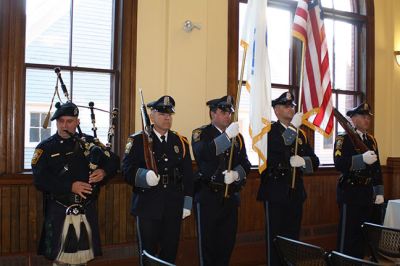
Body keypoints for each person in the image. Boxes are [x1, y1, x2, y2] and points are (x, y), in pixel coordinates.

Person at [32, 101, 120, 265]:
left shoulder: (89, 143)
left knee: (82, 259)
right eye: (60, 121)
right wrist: (70, 186)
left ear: (77, 122)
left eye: (69, 121)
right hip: (59, 209)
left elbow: (114, 161)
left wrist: (103, 172)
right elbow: (40, 179)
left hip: (86, 208)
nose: (64, 125)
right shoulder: (45, 148)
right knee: (60, 260)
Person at [122, 95, 193, 265]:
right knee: (148, 253)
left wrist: (187, 203)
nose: (167, 117)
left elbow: (188, 175)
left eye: (169, 114)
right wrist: (144, 176)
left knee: (170, 251)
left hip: (173, 205)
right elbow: (126, 170)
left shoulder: (180, 141)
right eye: (162, 114)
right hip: (148, 205)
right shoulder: (138, 140)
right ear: (152, 115)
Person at [256, 92, 320, 266]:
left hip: (295, 192)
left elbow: (315, 161)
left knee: (292, 239)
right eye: (286, 105)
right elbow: (277, 147)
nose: (291, 108)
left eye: (292, 105)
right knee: (275, 237)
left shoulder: (301, 135)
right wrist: (293, 128)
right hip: (275, 191)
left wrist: (303, 162)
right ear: (276, 110)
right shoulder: (268, 131)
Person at [191, 95, 251, 266]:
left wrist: (237, 174)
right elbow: (204, 154)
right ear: (212, 113)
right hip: (208, 197)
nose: (228, 116)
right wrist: (225, 138)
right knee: (208, 248)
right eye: (223, 112)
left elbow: (246, 163)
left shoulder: (237, 137)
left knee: (227, 245)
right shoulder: (201, 133)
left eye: (230, 112)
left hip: (230, 198)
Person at [334, 102, 384, 258]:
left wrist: (379, 192)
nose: (367, 119)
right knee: (348, 236)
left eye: (368, 116)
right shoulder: (344, 138)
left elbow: (376, 169)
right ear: (353, 119)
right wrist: (361, 159)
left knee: (363, 235)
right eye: (363, 116)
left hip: (367, 193)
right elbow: (339, 163)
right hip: (350, 192)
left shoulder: (371, 140)